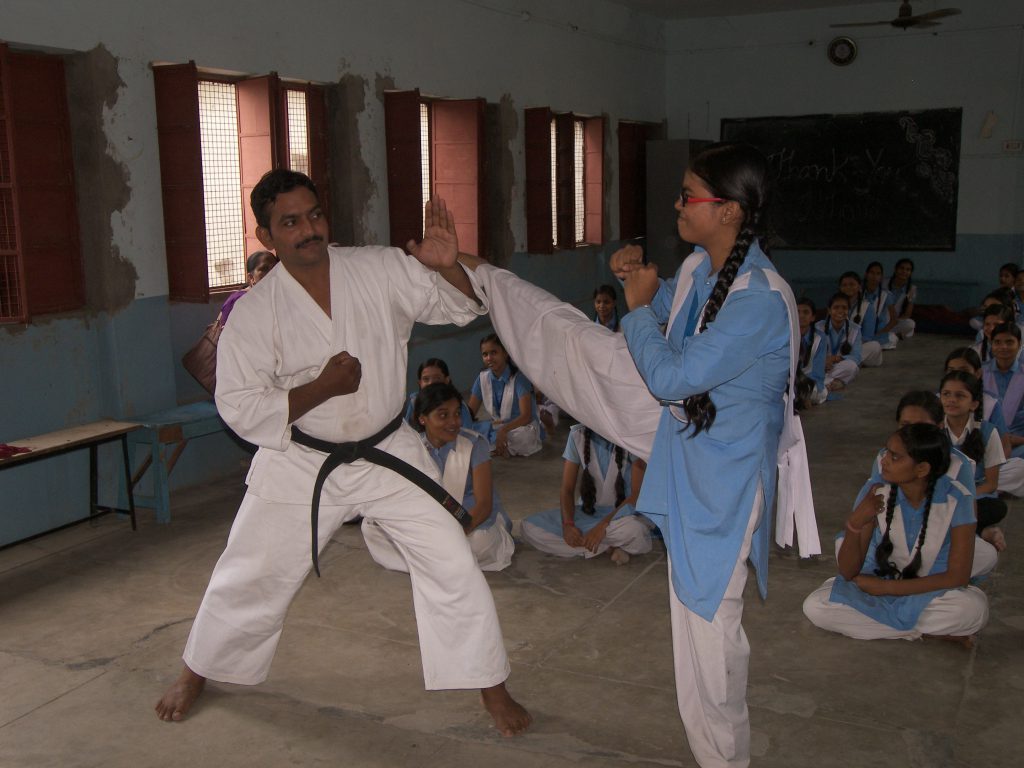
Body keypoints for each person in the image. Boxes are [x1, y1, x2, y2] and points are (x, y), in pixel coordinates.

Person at [457, 142, 817, 768]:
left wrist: (637, 308)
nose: (677, 205)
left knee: (711, 632)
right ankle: (713, 754)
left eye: (688, 195)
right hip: (689, 463)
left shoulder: (760, 296)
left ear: (729, 210)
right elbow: (665, 337)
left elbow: (673, 378)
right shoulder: (703, 273)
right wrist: (640, 286)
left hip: (725, 485)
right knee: (692, 628)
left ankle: (727, 758)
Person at [154, 169, 531, 736]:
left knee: (451, 558)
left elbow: (454, 305)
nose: (308, 229)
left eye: (314, 215)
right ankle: (197, 669)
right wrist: (320, 389)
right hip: (301, 458)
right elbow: (238, 405)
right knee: (250, 569)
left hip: (387, 448)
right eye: (290, 222)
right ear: (266, 237)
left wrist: (448, 264)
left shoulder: (376, 267)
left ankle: (490, 685)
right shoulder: (255, 313)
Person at [803, 423, 988, 643]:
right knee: (815, 606)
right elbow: (847, 571)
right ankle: (923, 630)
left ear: (922, 469)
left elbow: (957, 577)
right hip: (879, 589)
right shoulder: (875, 491)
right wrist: (854, 524)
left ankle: (889, 625)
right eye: (886, 452)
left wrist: (886, 588)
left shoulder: (958, 499)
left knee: (972, 610)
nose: (884, 461)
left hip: (928, 593)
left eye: (895, 457)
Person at [364, 383, 515, 572]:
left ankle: (426, 561)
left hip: (473, 526)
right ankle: (438, 559)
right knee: (370, 528)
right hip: (430, 527)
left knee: (478, 542)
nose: (454, 422)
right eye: (443, 415)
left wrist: (453, 535)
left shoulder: (475, 445)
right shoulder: (413, 447)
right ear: (422, 419)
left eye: (457, 413)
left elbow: (484, 505)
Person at [520, 424, 650, 564]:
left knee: (635, 530)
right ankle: (605, 545)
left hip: (622, 516)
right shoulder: (577, 434)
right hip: (588, 513)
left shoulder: (631, 436)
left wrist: (603, 526)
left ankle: (596, 543)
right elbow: (567, 489)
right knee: (528, 527)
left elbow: (636, 495)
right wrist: (568, 525)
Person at [939, 371, 1008, 552]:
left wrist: (964, 496)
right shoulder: (934, 430)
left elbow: (991, 484)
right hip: (941, 492)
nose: (951, 400)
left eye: (960, 395)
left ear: (974, 404)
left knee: (996, 508)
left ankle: (962, 530)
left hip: (975, 494)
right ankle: (983, 531)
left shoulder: (987, 431)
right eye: (946, 394)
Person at [467, 333, 543, 457]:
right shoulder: (482, 379)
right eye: (485, 354)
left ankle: (491, 446)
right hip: (497, 428)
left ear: (505, 353)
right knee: (470, 431)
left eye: (494, 352)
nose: (489, 358)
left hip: (520, 427)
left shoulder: (519, 378)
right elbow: (469, 413)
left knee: (522, 437)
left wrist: (504, 430)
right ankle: (498, 446)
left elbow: (526, 416)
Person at [403, 358, 475, 430]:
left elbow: (467, 435)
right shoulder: (414, 403)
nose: (430, 383)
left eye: (437, 378)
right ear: (419, 383)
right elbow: (406, 431)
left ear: (447, 380)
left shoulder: (457, 404)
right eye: (426, 379)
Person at [219, 249, 279, 326]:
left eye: (274, 268)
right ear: (251, 278)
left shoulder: (278, 296)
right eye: (264, 269)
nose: (271, 273)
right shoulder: (238, 301)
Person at [817, 292, 861, 392]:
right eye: (836, 307)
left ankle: (824, 383)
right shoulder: (818, 327)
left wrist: (834, 358)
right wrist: (823, 361)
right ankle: (837, 383)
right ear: (829, 310)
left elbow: (857, 357)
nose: (840, 311)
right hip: (821, 366)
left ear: (848, 310)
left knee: (852, 366)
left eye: (844, 308)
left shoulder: (855, 329)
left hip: (837, 366)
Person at [838, 271, 882, 366]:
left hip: (859, 346)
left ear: (859, 287)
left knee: (875, 346)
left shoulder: (867, 307)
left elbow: (867, 337)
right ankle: (846, 361)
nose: (848, 287)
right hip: (838, 347)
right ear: (840, 288)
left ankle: (841, 361)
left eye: (852, 284)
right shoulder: (835, 306)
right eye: (844, 285)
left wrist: (849, 346)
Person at [797, 297, 826, 406]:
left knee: (822, 392)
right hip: (790, 381)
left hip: (809, 381)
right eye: (797, 312)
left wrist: (807, 390)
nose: (801, 316)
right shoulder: (786, 335)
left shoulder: (820, 338)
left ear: (813, 317)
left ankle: (800, 397)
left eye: (806, 312)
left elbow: (818, 371)